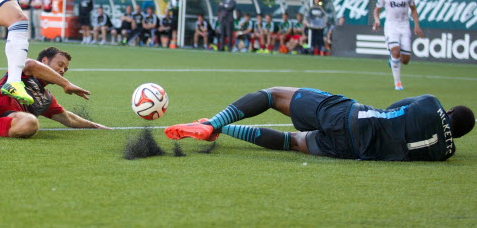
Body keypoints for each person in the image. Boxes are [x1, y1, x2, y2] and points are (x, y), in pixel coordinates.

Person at [164, 87, 474, 161]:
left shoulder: (432, 103)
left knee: (273, 95)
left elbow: (396, 108)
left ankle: (214, 123)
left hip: (352, 116)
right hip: (355, 150)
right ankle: (214, 127)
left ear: (447, 111)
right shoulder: (445, 153)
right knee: (292, 142)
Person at [0, 46, 109, 138]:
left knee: (30, 124)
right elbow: (30, 65)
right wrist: (66, 84)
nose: (62, 71)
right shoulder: (23, 67)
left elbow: (69, 119)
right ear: (44, 61)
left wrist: (96, 126)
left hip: (11, 118)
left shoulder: (46, 99)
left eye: (65, 70)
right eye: (60, 65)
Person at [373, 0, 424, 90]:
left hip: (404, 26)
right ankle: (398, 83)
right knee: (395, 52)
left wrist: (416, 25)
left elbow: (413, 10)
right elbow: (377, 9)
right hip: (391, 26)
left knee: (405, 60)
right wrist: (377, 20)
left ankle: (393, 61)